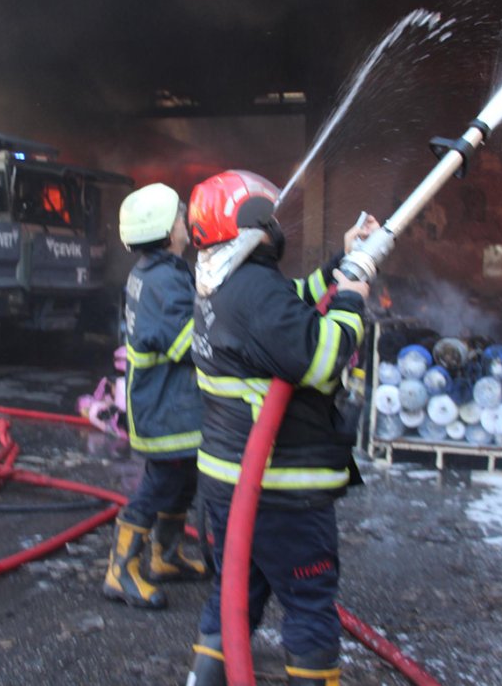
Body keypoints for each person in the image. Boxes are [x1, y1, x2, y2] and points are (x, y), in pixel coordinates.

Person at [182, 170, 374, 686]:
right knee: (310, 604)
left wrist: (338, 263)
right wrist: (354, 296)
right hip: (280, 489)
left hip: (234, 484)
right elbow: (322, 357)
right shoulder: (252, 292)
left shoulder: (225, 280)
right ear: (249, 223)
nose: (276, 223)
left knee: (236, 595)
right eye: (267, 213)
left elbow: (292, 303)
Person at [102, 183, 207, 610]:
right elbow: (188, 345)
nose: (188, 223)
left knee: (182, 482)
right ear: (168, 231)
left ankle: (165, 557)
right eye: (182, 217)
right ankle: (120, 570)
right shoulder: (164, 280)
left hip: (169, 405)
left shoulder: (160, 270)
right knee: (159, 485)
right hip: (166, 408)